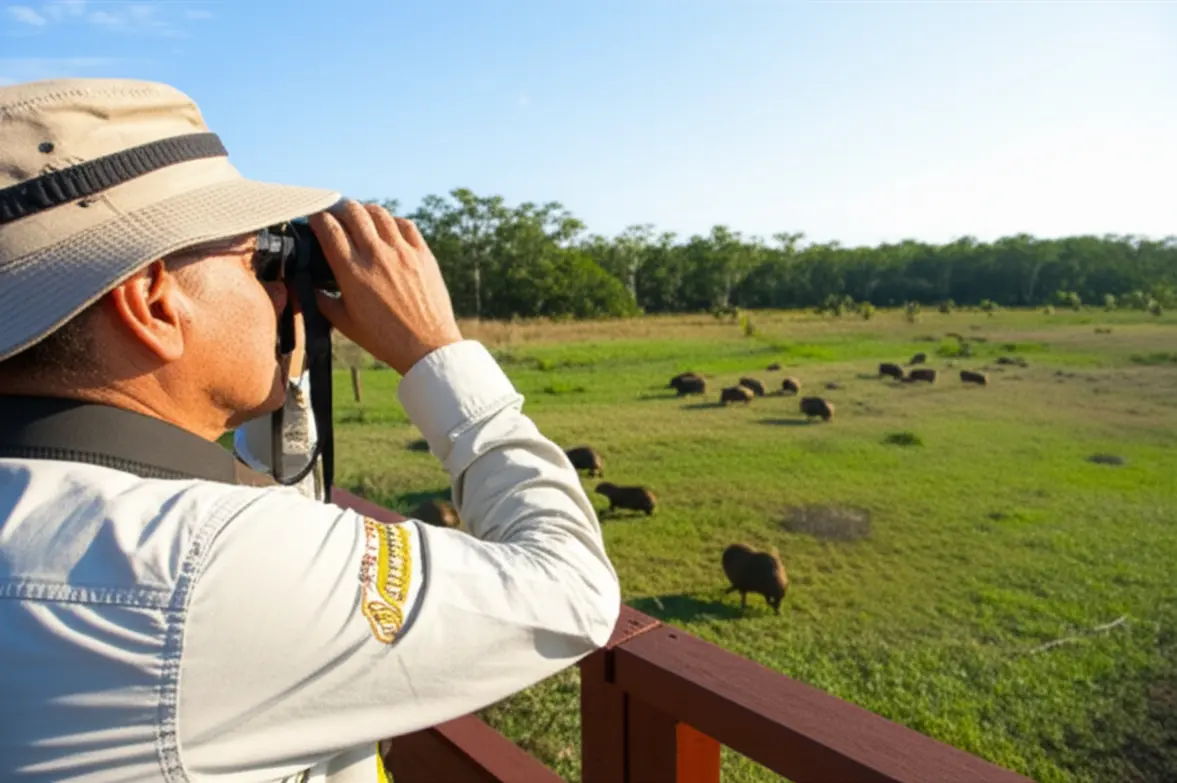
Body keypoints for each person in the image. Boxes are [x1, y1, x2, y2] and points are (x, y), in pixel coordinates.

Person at [0, 77, 621, 782]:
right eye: (260, 259)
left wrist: (283, 377)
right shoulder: (197, 568)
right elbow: (569, 590)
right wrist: (435, 353)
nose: (280, 290)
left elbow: (265, 534)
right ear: (152, 299)